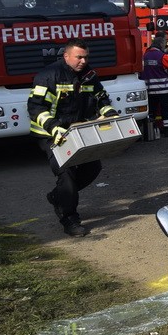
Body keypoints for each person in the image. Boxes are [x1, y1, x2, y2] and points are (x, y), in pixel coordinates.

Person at [28, 38, 120, 236]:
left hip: (78, 131)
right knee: (67, 173)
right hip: (52, 134)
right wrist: (54, 128)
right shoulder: (48, 75)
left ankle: (58, 196)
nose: (83, 61)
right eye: (79, 57)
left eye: (86, 57)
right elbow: (36, 107)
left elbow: (101, 99)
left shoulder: (89, 75)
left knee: (93, 168)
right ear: (66, 56)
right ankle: (69, 218)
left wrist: (110, 113)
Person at [141, 30, 168, 137]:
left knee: (152, 111)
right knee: (166, 111)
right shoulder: (162, 56)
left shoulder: (145, 55)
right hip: (164, 90)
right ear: (161, 45)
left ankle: (152, 130)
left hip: (150, 91)